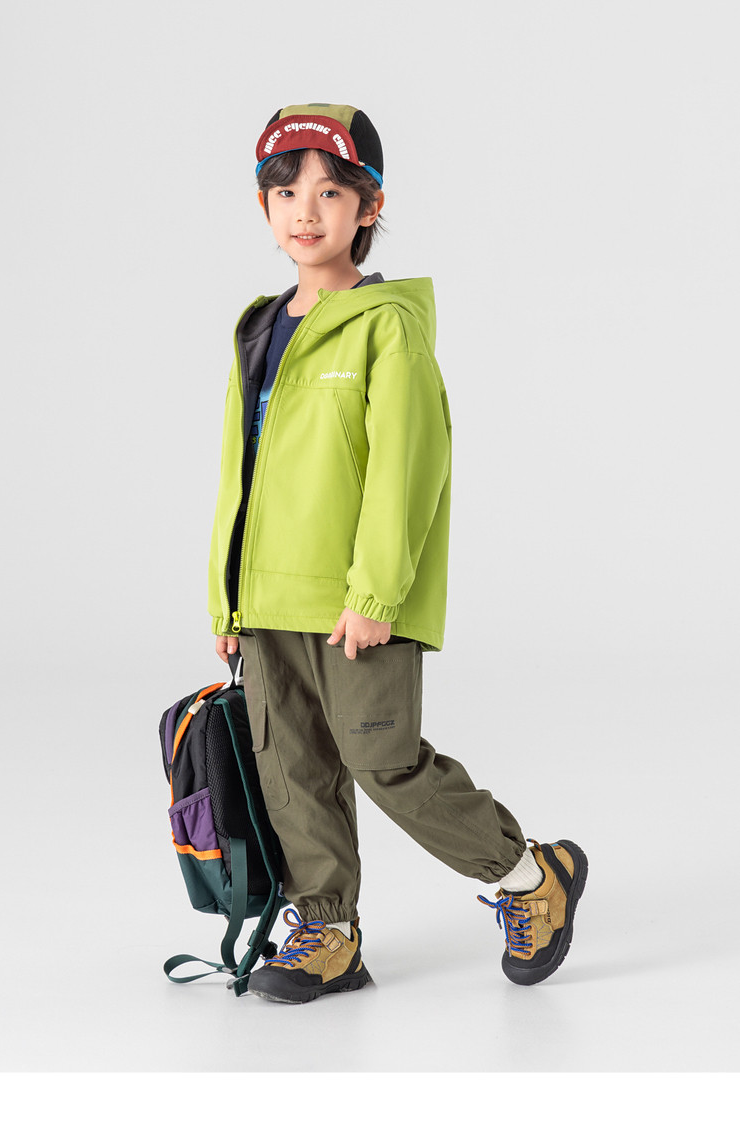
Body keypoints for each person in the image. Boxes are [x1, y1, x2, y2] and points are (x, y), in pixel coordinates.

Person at [208, 103, 587, 1003]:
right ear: (263, 208)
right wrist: (226, 598)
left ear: (368, 206)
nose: (306, 211)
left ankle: (531, 875)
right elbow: (238, 472)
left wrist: (375, 592)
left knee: (383, 760)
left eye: (331, 192)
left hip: (354, 600)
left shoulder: (388, 327)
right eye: (286, 192)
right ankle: (328, 932)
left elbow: (406, 469)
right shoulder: (259, 327)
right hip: (266, 598)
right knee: (292, 770)